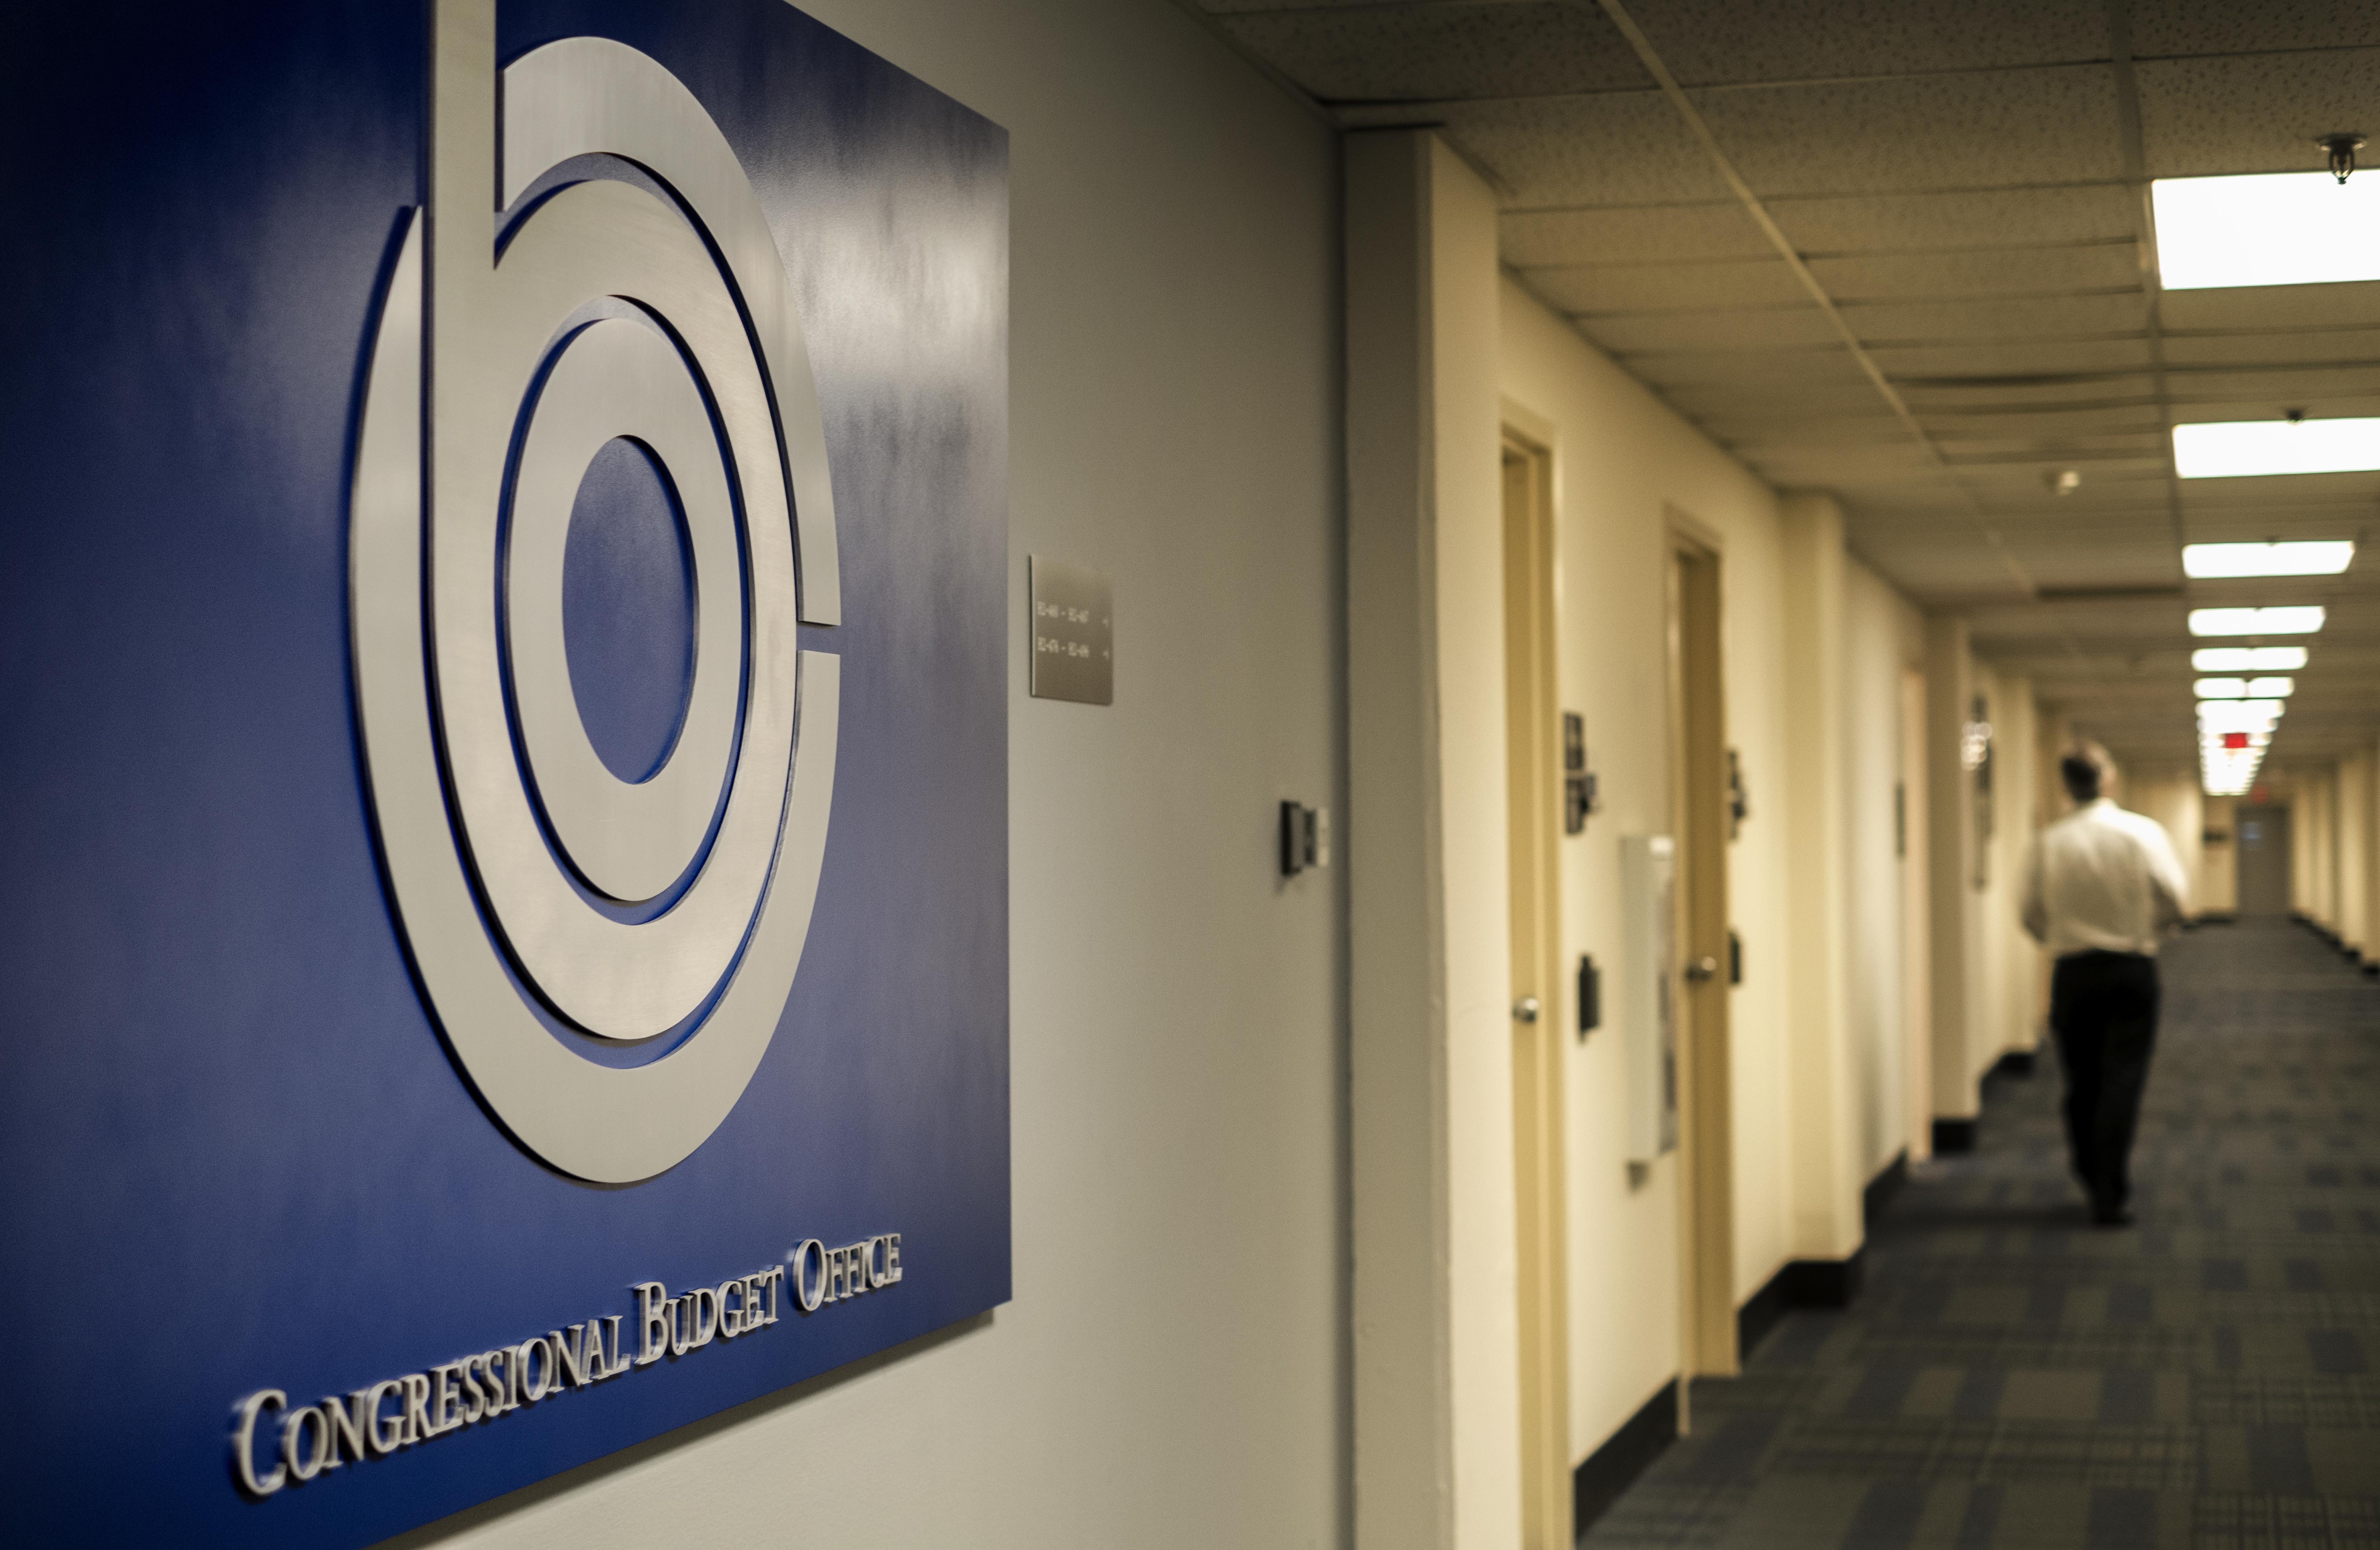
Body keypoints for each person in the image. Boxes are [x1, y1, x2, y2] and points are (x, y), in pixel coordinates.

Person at [2019, 743, 2190, 1227]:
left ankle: (2089, 1170)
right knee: (2122, 1080)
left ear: (2065, 786)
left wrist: (2056, 939)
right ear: (2108, 780)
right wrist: (2149, 934)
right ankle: (2109, 1188)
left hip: (2073, 972)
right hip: (2130, 970)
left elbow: (2028, 911)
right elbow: (2174, 898)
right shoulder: (2142, 834)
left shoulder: (2048, 842)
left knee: (2081, 1080)